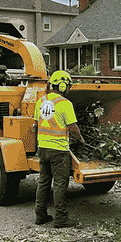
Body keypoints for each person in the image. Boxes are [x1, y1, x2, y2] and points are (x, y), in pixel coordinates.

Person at [33, 70, 86, 228]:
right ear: (63, 86)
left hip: (43, 148)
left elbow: (36, 125)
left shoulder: (40, 101)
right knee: (60, 184)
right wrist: (81, 140)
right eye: (68, 85)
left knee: (43, 182)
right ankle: (61, 218)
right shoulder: (64, 103)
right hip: (58, 150)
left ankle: (40, 215)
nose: (69, 88)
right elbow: (73, 128)